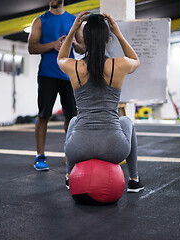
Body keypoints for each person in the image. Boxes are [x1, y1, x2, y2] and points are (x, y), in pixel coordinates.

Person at [58, 12, 144, 192]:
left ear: (85, 39)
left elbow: (60, 59)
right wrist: (118, 33)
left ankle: (68, 177)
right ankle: (134, 180)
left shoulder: (75, 67)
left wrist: (73, 29)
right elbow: (136, 60)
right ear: (107, 38)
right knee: (126, 120)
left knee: (74, 120)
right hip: (114, 149)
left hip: (78, 149)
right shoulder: (118, 65)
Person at [28, 0, 85, 171]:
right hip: (47, 74)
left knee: (71, 116)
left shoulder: (73, 21)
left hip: (69, 74)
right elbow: (32, 47)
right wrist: (52, 45)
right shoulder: (40, 21)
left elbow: (83, 48)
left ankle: (70, 153)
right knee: (43, 115)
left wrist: (74, 43)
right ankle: (40, 156)